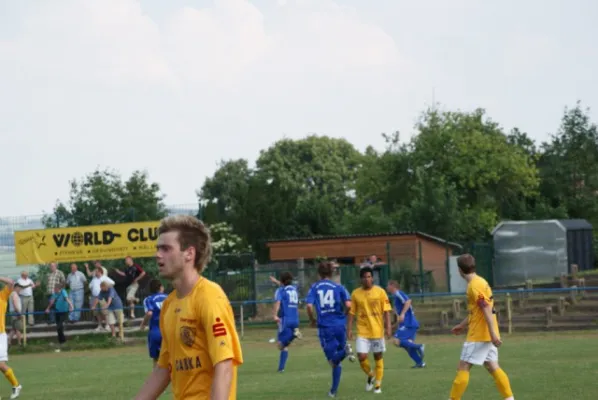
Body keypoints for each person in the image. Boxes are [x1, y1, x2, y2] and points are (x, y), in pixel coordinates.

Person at [134, 215, 243, 400]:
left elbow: (224, 364)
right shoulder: (169, 304)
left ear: (189, 254)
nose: (157, 254)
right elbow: (164, 367)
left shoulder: (209, 297)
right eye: (158, 248)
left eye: (166, 249)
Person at [448, 254, 514, 400]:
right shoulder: (481, 281)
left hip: (479, 335)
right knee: (492, 366)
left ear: (460, 270)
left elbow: (486, 310)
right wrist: (462, 325)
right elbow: (477, 311)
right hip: (487, 333)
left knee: (463, 367)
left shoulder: (474, 286)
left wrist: (492, 334)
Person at [306, 261, 355, 398]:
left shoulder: (314, 287)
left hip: (325, 327)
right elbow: (349, 305)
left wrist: (312, 320)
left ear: (319, 273)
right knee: (336, 362)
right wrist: (343, 314)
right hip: (340, 325)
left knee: (332, 361)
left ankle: (346, 351)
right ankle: (333, 391)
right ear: (331, 273)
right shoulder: (338, 287)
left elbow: (309, 306)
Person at [347, 266, 391, 394]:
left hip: (377, 330)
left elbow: (387, 311)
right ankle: (370, 375)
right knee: (361, 356)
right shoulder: (355, 293)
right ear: (361, 279)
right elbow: (351, 312)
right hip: (363, 331)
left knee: (378, 356)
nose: (367, 279)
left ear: (372, 278)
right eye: (364, 277)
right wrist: (349, 329)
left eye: (369, 277)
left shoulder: (380, 292)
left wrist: (388, 327)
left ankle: (378, 385)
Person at [386, 280, 426, 368]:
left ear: (393, 286)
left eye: (388, 285)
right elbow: (400, 316)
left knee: (396, 341)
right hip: (408, 323)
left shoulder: (398, 293)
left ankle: (419, 346)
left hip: (409, 322)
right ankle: (420, 363)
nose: (387, 287)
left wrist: (403, 313)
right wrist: (394, 325)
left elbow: (408, 301)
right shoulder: (396, 297)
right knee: (407, 347)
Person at [272, 271, 302, 373]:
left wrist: (275, 315)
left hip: (285, 319)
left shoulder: (280, 291)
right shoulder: (294, 290)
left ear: (282, 281)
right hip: (295, 319)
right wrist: (276, 281)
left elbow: (278, 302)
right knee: (285, 345)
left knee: (280, 344)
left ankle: (293, 335)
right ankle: (281, 368)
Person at [0, 276, 22, 399]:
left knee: (1, 365)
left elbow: (11, 282)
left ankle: (16, 385)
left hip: (0, 335)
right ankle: (16, 385)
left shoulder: (2, 295)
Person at [139, 279, 167, 366]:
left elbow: (149, 313)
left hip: (155, 331)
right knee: (172, 358)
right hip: (168, 331)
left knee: (156, 359)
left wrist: (143, 324)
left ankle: (158, 378)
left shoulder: (149, 299)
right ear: (160, 287)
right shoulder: (169, 297)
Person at [45, 283, 74, 352]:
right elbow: (52, 302)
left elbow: (67, 299)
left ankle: (63, 341)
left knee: (59, 326)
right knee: (58, 327)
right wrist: (48, 308)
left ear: (58, 289)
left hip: (64, 312)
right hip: (57, 312)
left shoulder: (63, 292)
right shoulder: (54, 294)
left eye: (55, 289)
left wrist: (71, 306)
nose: (54, 290)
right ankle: (61, 341)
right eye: (54, 289)